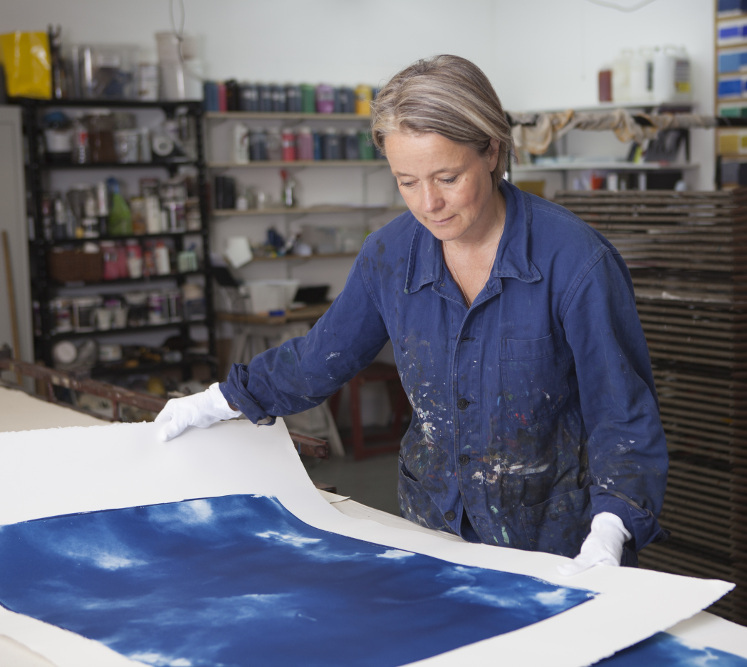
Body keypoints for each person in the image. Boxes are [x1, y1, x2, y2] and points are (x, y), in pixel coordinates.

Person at [156, 54, 668, 572]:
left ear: (491, 150)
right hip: (432, 529)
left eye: (448, 177)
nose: (429, 204)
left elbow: (621, 415)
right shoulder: (390, 255)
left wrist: (610, 528)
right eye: (406, 181)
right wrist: (223, 398)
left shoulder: (575, 260)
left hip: (555, 540)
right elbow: (318, 360)